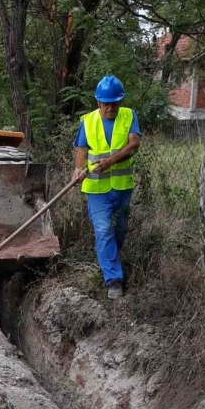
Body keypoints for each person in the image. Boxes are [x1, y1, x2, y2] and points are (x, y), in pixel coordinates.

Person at [72, 76, 141, 300]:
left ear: (120, 101)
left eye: (114, 103)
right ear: (98, 102)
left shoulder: (129, 116)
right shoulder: (88, 121)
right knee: (103, 230)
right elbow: (81, 149)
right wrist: (78, 169)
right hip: (96, 189)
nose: (110, 107)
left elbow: (133, 145)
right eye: (106, 103)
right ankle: (113, 280)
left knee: (118, 229)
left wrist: (110, 162)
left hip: (122, 187)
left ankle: (109, 259)